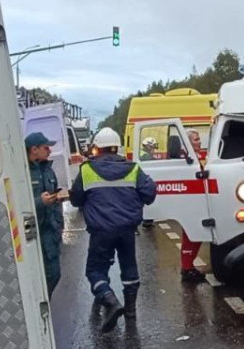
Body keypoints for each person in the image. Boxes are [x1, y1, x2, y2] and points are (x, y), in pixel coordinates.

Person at [70, 127, 157, 332]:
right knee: (129, 267)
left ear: (96, 148)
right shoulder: (133, 169)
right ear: (117, 147)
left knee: (95, 270)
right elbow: (150, 194)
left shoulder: (87, 170)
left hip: (101, 230)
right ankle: (130, 311)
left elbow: (75, 199)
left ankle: (109, 300)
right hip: (127, 228)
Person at [26, 132, 65, 299]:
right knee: (32, 279)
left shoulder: (48, 170)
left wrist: (59, 224)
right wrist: (40, 202)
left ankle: (43, 305)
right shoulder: (22, 172)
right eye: (46, 147)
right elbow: (16, 204)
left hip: (49, 233)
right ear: (34, 149)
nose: (49, 151)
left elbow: (54, 199)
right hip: (31, 234)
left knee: (54, 274)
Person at [179, 128, 206, 282]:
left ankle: (189, 266)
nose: (199, 141)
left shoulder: (201, 155)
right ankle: (187, 268)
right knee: (191, 235)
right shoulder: (184, 157)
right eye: (196, 139)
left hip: (201, 200)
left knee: (196, 235)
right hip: (191, 200)